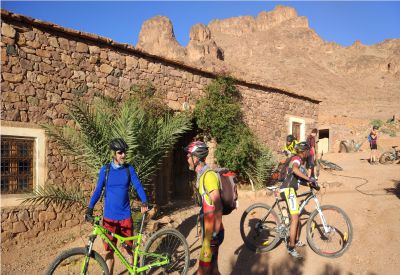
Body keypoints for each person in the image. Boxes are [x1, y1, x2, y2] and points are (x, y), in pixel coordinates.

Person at [85, 138, 148, 274]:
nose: (123, 155)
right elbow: (98, 190)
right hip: (109, 218)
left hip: (125, 217)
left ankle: (134, 272)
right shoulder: (105, 170)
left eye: (124, 152)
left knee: (128, 249)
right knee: (109, 251)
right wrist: (90, 208)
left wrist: (144, 201)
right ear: (114, 153)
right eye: (120, 153)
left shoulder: (128, 169)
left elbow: (137, 185)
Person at [185, 141, 224, 275]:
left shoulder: (208, 176)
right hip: (209, 230)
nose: (187, 158)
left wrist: (215, 232)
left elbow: (218, 204)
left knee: (202, 270)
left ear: (196, 158)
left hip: (212, 232)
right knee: (214, 270)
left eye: (189, 156)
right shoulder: (201, 175)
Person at [279, 141, 318, 259]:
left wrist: (311, 184)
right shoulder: (297, 159)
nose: (309, 153)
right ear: (304, 151)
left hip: (290, 190)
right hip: (288, 190)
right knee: (295, 218)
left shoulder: (298, 160)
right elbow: (295, 170)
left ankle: (295, 240)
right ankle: (291, 247)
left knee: (298, 218)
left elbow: (298, 179)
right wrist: (309, 178)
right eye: (308, 151)